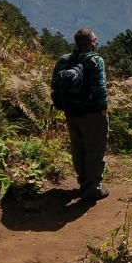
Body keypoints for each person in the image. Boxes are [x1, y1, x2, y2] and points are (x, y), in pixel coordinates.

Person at [52, 28, 110, 201]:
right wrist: (103, 108)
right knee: (95, 149)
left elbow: (54, 84)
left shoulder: (63, 60)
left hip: (71, 113)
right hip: (92, 113)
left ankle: (83, 183)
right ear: (92, 42)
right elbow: (100, 87)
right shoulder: (95, 61)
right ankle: (93, 189)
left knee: (78, 148)